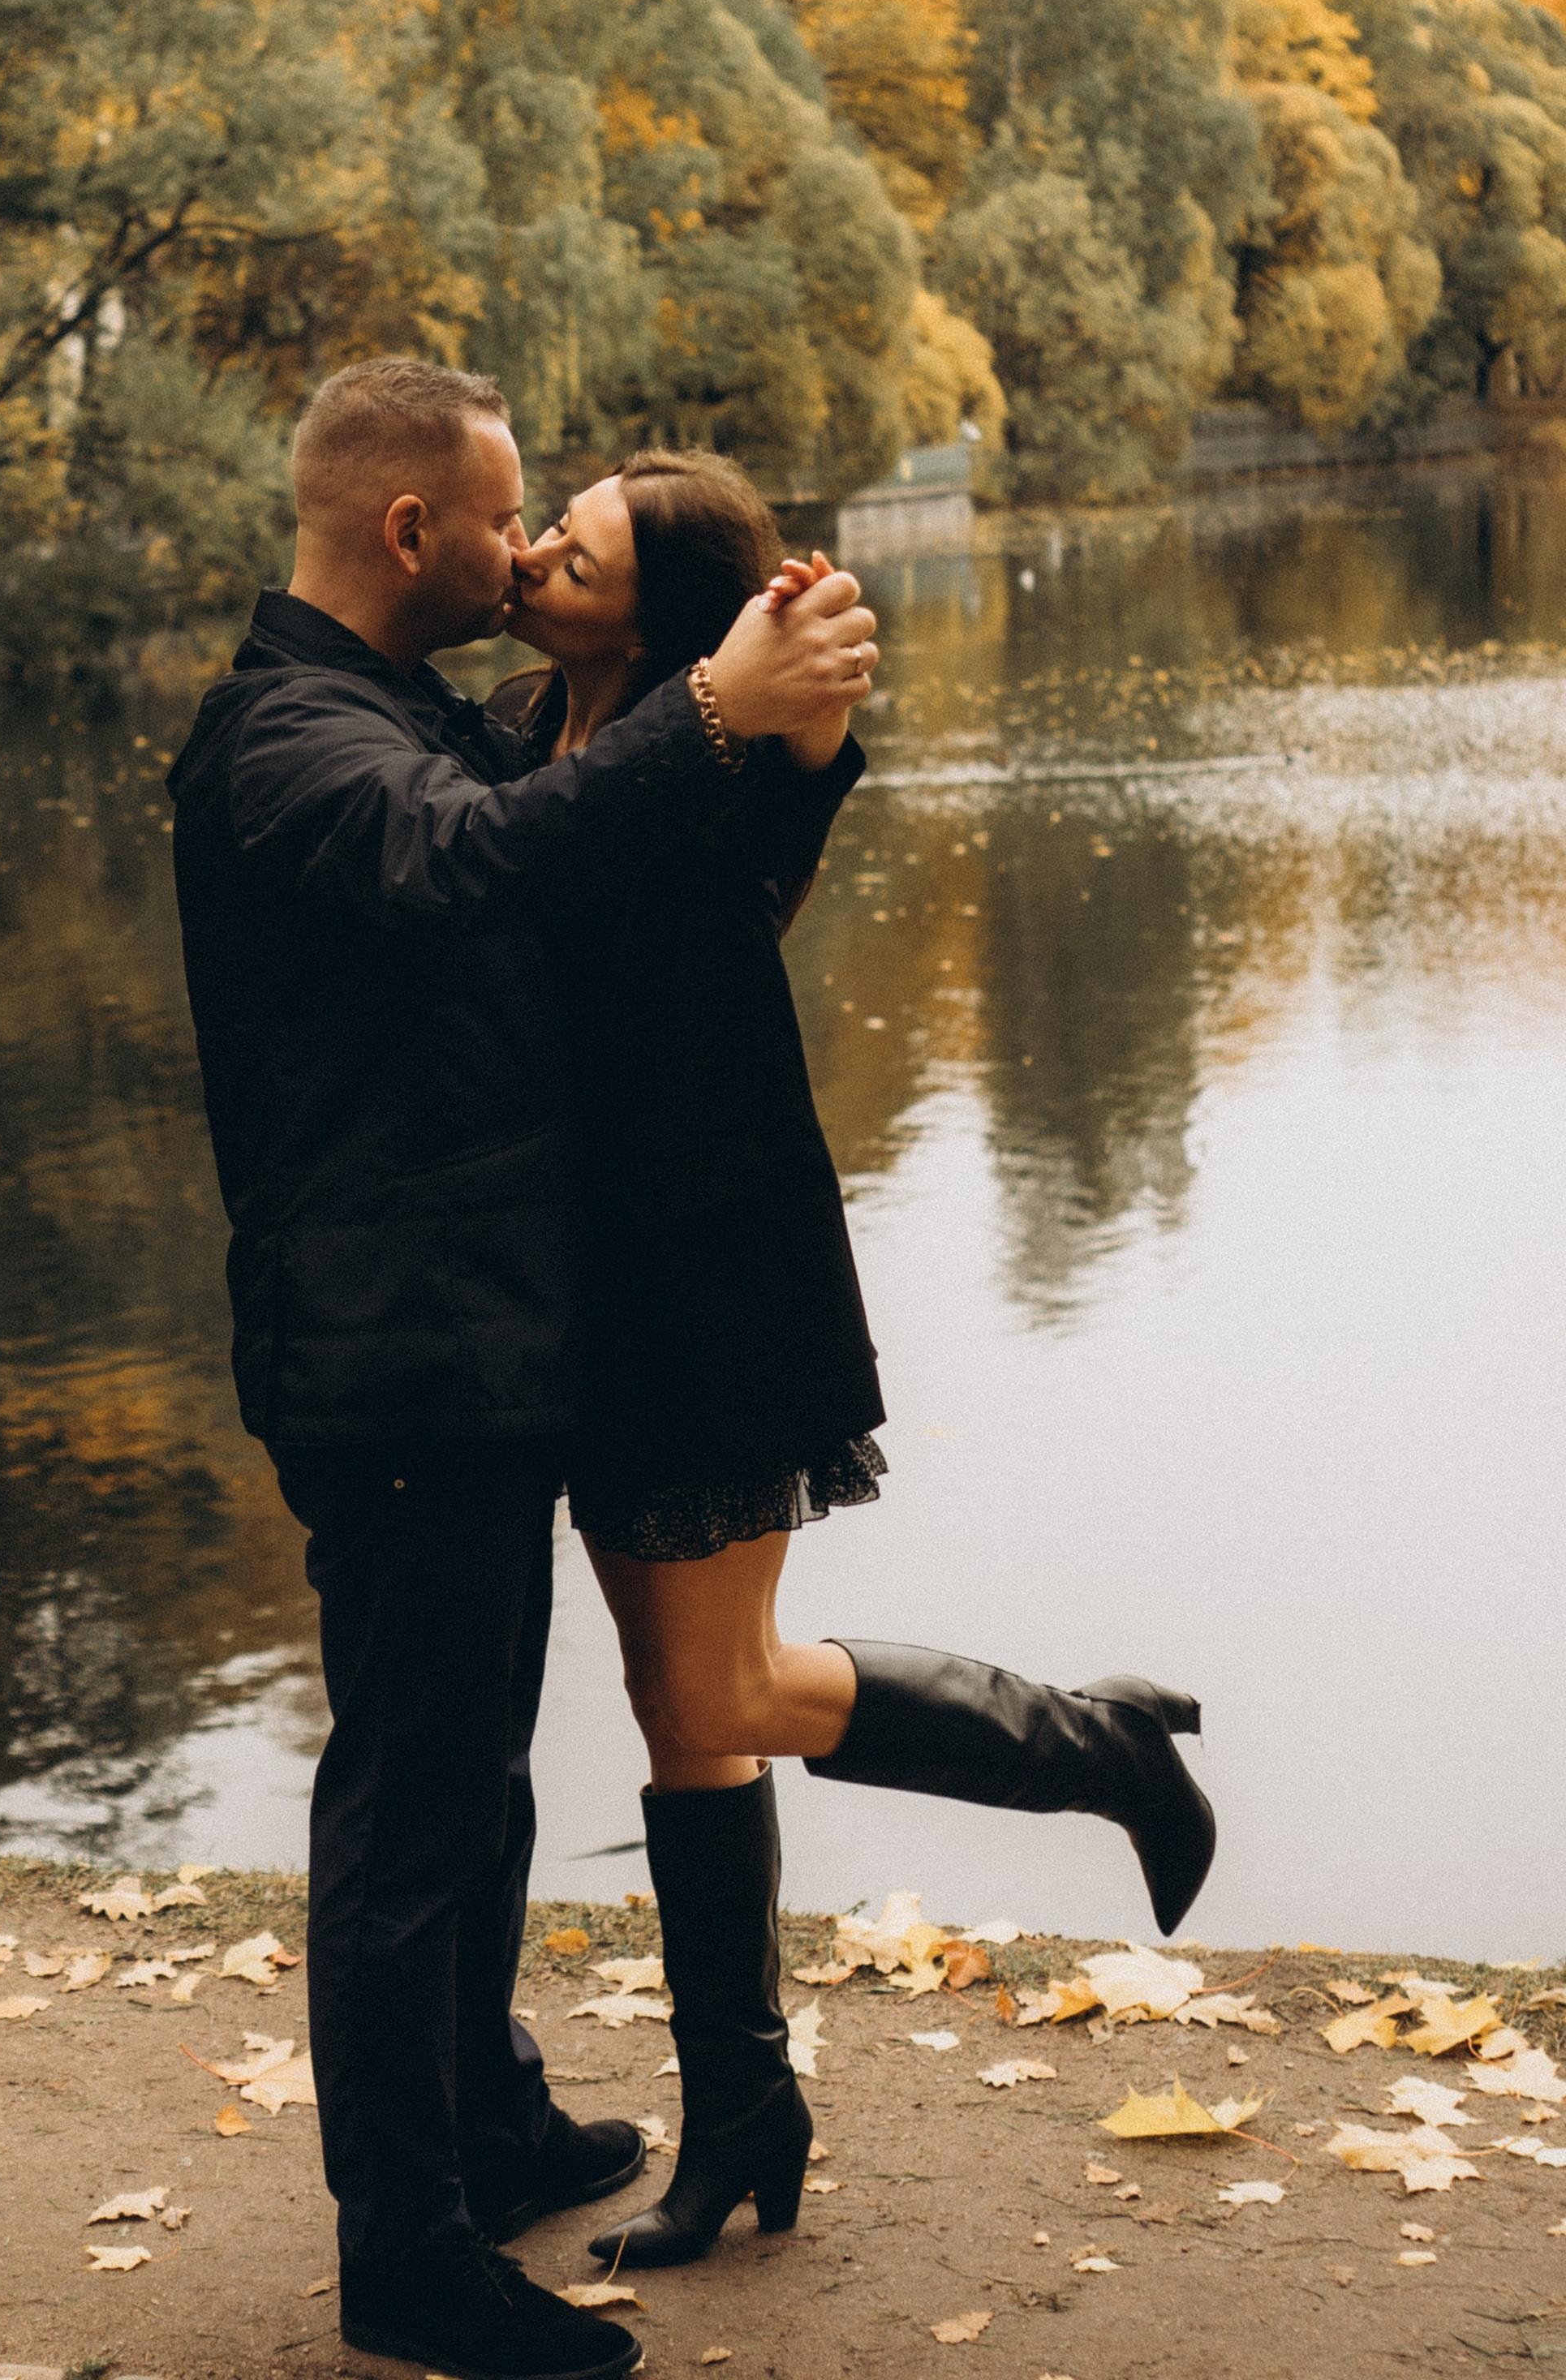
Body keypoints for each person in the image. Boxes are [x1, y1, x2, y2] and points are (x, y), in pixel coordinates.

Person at [167, 360, 877, 2380]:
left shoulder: (403, 706)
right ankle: (406, 2259)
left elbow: (628, 841)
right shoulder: (290, 738)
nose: (521, 544)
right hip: (390, 1358)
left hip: (468, 1346)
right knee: (410, 1815)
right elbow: (470, 862)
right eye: (501, 517)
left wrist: (788, 727)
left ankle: (486, 2129)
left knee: (474, 1789)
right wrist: (714, 708)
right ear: (411, 531)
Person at [493, 449, 1216, 2273]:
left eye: (574, 553)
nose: (535, 555)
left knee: (720, 1688)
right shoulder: (512, 733)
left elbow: (806, 753)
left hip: (716, 1282)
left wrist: (800, 661)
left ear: (660, 618)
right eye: (548, 528)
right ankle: (743, 2115)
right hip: (584, 1293)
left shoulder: (735, 756)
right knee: (678, 1713)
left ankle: (1098, 1745)